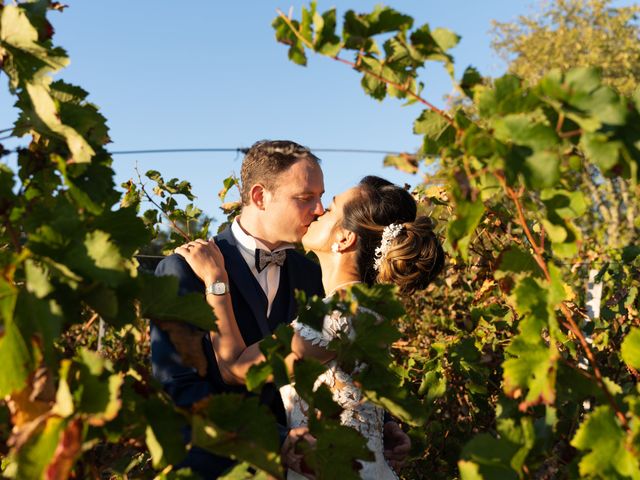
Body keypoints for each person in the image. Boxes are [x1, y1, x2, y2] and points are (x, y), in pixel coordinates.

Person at [151, 142, 411, 478]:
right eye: (306, 198)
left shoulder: (316, 274)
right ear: (260, 197)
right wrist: (276, 441)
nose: (319, 210)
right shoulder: (185, 269)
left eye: (323, 198)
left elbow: (340, 365)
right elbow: (179, 390)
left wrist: (381, 425)